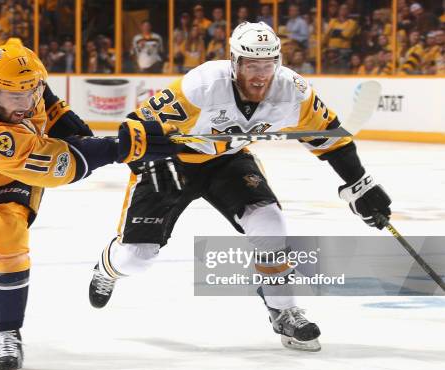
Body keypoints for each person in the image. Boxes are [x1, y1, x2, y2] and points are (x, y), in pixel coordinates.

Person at [87, 22, 392, 352]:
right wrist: (146, 162)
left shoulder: (293, 91)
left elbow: (331, 138)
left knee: (270, 224)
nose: (260, 75)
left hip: (226, 160)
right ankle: (108, 266)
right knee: (137, 258)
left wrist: (359, 184)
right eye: (251, 65)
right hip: (171, 163)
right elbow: (136, 126)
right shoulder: (201, 86)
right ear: (235, 63)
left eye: (267, 65)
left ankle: (283, 309)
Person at [0, 38, 180, 370]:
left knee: (5, 233)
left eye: (29, 92)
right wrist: (121, 147)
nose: (25, 103)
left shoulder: (0, 69)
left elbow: (37, 87)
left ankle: (8, 333)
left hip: (11, 183)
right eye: (14, 96)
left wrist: (64, 119)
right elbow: (59, 164)